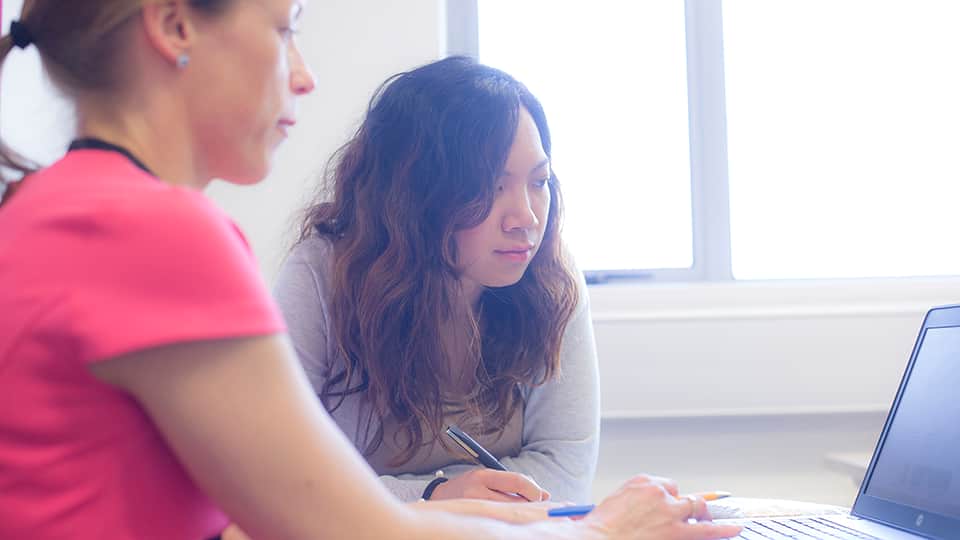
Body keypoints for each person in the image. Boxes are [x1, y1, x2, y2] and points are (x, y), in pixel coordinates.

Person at [0, 1, 742, 539]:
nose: (305, 77)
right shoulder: (155, 234)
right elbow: (344, 528)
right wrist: (599, 534)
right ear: (175, 26)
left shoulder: (47, 209)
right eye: (285, 31)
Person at [274, 56, 599, 504]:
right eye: (492, 187)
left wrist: (456, 501)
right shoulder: (324, 274)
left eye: (539, 182)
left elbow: (567, 464)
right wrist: (436, 496)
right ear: (416, 194)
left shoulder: (551, 275)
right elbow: (286, 479)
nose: (525, 217)